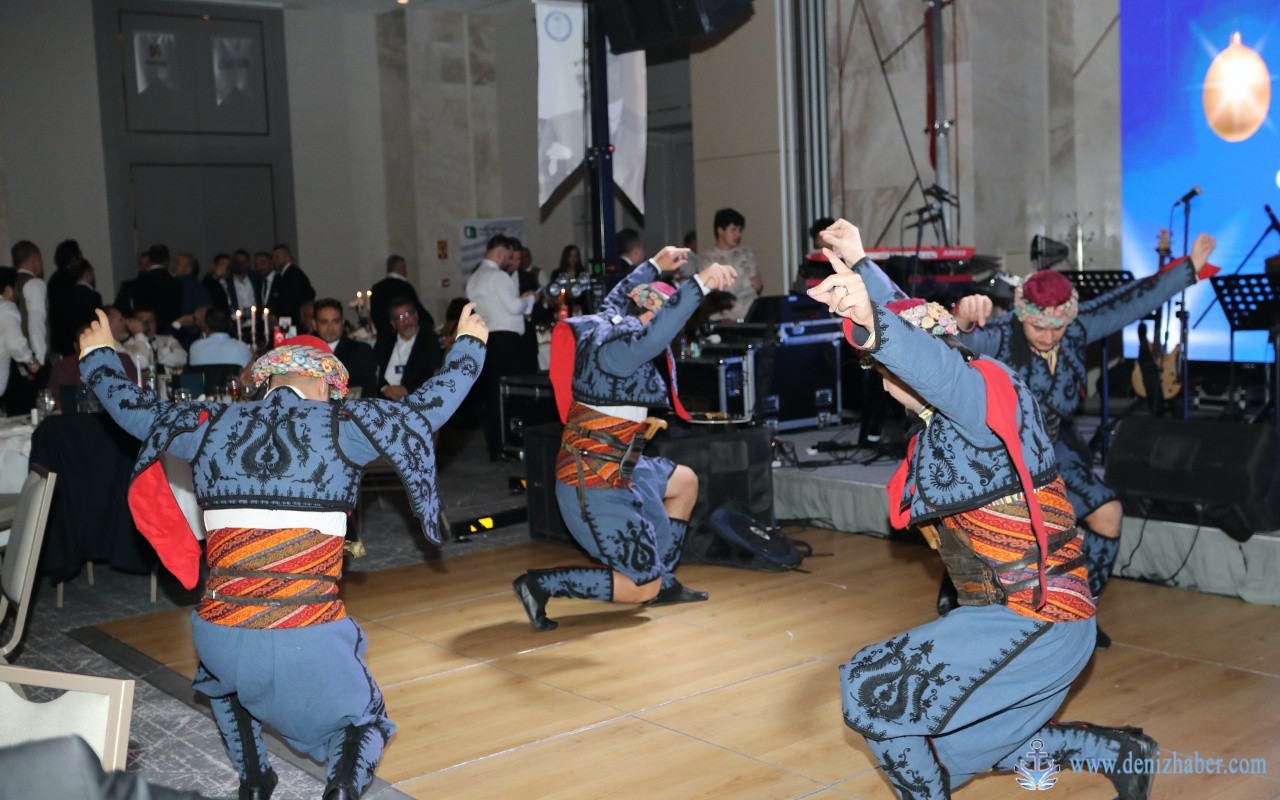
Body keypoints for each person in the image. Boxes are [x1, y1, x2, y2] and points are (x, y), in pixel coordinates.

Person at [77, 303, 489, 800]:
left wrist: (100, 357)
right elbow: (427, 408)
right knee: (366, 722)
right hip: (305, 635)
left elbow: (134, 410)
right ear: (321, 383)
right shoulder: (342, 423)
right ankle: (339, 791)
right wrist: (469, 347)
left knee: (220, 678)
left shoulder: (207, 421)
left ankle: (254, 779)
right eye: (333, 391)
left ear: (269, 380)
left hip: (219, 635)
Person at [812, 219, 1157, 800]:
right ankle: (1116, 751)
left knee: (872, 693)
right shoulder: (970, 395)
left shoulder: (977, 397)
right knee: (952, 752)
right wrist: (865, 265)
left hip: (1037, 617)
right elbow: (926, 331)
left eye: (884, 373)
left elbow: (930, 358)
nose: (884, 384)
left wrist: (871, 323)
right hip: (1018, 616)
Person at [943, 232, 1218, 647]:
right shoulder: (998, 334)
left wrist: (1189, 268)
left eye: (1057, 326)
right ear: (1021, 314)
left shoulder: (1076, 328)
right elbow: (945, 347)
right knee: (999, 533)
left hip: (1057, 449)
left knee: (1108, 513)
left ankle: (1079, 615)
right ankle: (963, 597)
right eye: (1038, 325)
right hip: (1001, 455)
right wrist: (961, 320)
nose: (1048, 336)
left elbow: (1130, 301)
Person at [511, 246, 738, 631]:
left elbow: (618, 293)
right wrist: (700, 283)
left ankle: (665, 581)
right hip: (594, 485)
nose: (672, 333)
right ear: (651, 315)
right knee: (641, 587)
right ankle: (541, 584)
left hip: (622, 469)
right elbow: (659, 332)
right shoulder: (619, 350)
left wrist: (654, 265)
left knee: (684, 482)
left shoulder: (609, 320)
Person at [465, 235, 537, 460]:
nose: (508, 261)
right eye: (507, 257)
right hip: (508, 342)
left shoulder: (473, 279)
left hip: (487, 340)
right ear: (499, 254)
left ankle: (496, 445)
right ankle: (515, 442)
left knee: (493, 394)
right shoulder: (498, 276)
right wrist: (530, 299)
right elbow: (514, 307)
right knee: (513, 394)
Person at [696, 208, 761, 321]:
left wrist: (733, 284)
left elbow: (757, 285)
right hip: (723, 319)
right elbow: (719, 294)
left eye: (740, 230)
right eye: (733, 230)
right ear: (720, 230)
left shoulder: (747, 253)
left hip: (750, 317)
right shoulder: (707, 259)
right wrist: (747, 282)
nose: (738, 234)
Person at [373, 296, 443, 401]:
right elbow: (373, 371)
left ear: (416, 315)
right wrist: (384, 388)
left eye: (408, 314)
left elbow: (433, 376)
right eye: (399, 317)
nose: (406, 321)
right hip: (385, 398)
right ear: (393, 323)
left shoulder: (429, 341)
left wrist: (407, 390)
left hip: (416, 399)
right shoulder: (385, 341)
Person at [314, 298, 378, 400]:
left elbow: (368, 391)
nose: (330, 327)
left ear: (343, 322)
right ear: (315, 324)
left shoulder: (361, 351)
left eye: (335, 321)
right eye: (324, 322)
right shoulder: (308, 352)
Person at [0, 267, 42, 405]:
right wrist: (31, 361)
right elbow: (14, 342)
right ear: (8, 290)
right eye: (17, 289)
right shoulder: (6, 308)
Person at [369, 254, 430, 346]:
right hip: (405, 336)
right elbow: (417, 311)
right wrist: (429, 324)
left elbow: (374, 314)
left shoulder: (376, 288)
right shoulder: (405, 287)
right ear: (402, 268)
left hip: (384, 338)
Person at [265, 244, 316, 330]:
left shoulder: (292, 275)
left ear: (287, 257)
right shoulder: (285, 275)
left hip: (292, 320)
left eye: (277, 257)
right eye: (273, 257)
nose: (274, 260)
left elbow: (291, 300)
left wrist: (278, 315)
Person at [189, 307, 253, 369]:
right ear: (230, 325)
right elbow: (249, 373)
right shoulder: (241, 348)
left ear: (207, 327)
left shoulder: (195, 348)